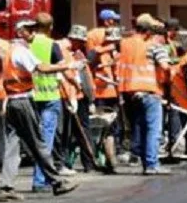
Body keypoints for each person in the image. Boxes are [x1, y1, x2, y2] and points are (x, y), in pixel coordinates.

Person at [0, 17, 77, 201]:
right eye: (31, 30)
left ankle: (6, 187)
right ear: (23, 33)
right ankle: (57, 182)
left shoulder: (8, 52)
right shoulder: (20, 52)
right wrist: (67, 65)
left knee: (13, 145)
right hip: (23, 102)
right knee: (38, 143)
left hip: (12, 103)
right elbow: (41, 68)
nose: (33, 34)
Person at [26, 13, 79, 190]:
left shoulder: (28, 44)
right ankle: (41, 180)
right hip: (49, 97)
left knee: (35, 140)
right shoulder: (52, 45)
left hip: (31, 96)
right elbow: (64, 70)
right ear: (50, 27)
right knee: (46, 140)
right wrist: (76, 83)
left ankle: (41, 179)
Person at [117, 14, 171, 175]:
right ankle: (151, 164)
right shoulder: (153, 45)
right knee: (153, 129)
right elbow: (165, 67)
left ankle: (140, 159)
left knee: (138, 127)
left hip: (128, 91)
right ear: (148, 32)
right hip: (148, 90)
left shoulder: (124, 43)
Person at [57, 26, 98, 173]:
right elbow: (66, 73)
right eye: (79, 41)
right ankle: (63, 163)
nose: (81, 44)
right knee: (65, 132)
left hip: (80, 97)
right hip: (66, 96)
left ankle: (89, 163)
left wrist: (90, 97)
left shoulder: (78, 52)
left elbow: (85, 74)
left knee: (83, 131)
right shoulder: (62, 50)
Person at [88, 26, 122, 173]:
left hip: (112, 94)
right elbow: (90, 63)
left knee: (112, 127)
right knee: (99, 127)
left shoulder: (114, 54)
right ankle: (98, 156)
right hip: (100, 95)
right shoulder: (97, 52)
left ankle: (112, 156)